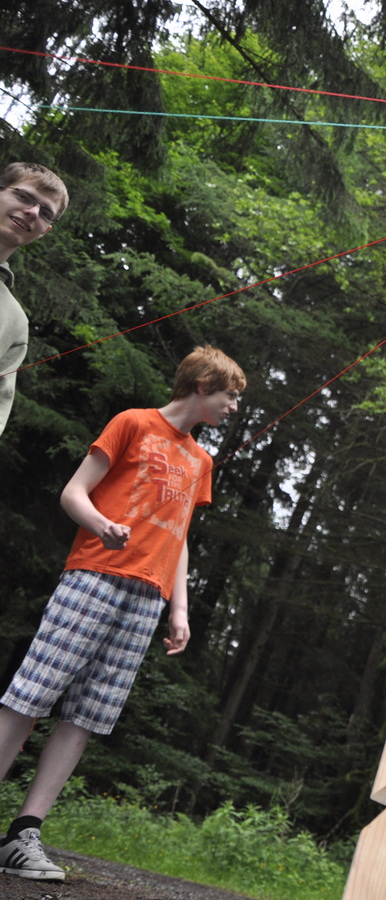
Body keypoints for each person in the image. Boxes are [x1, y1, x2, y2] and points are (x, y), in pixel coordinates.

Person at [0, 345, 244, 882]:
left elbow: (180, 537)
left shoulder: (201, 462)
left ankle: (23, 833)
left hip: (148, 598)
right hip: (94, 575)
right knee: (31, 694)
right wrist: (101, 526)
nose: (233, 407)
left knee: (87, 714)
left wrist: (179, 609)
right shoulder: (133, 422)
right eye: (230, 396)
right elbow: (73, 493)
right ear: (203, 385)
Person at [0, 162, 68, 437]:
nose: (33, 212)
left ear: (44, 231)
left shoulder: (14, 321)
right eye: (24, 196)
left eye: (46, 213)